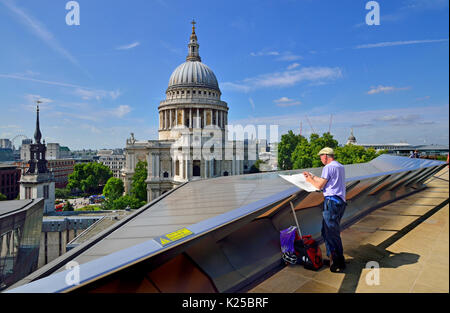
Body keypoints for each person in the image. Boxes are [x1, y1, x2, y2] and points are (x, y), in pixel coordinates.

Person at [303, 147, 347, 272]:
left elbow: (319, 186)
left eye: (321, 156)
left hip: (331, 202)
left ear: (326, 156)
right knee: (329, 231)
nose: (320, 159)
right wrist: (312, 176)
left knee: (330, 232)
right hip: (340, 202)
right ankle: (337, 259)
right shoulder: (339, 166)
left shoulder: (328, 167)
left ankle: (336, 260)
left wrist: (309, 180)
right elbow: (327, 182)